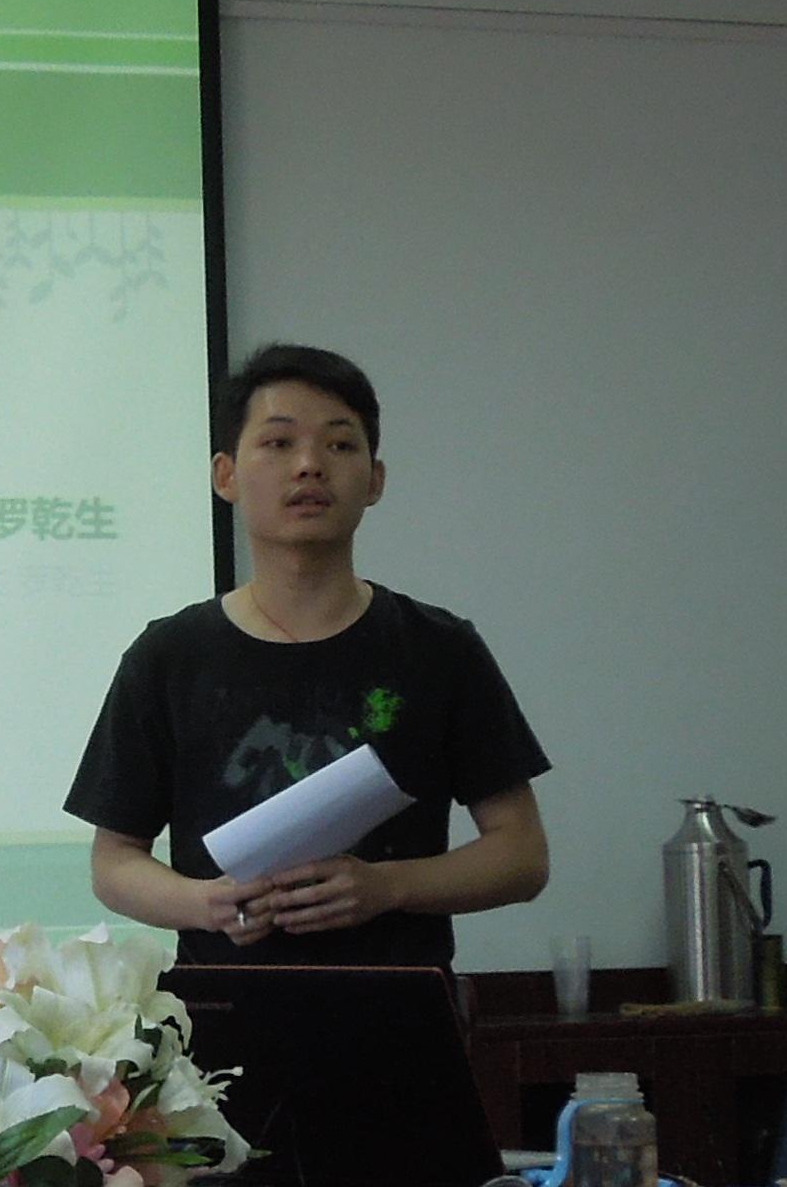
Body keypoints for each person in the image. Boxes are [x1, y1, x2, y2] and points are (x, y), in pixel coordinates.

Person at [67, 344, 550, 967]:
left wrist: (388, 886)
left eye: (340, 445)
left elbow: (521, 854)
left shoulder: (439, 648)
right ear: (225, 476)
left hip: (398, 1009)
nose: (309, 466)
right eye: (278, 443)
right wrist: (205, 904)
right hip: (221, 1014)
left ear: (374, 480)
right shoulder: (169, 656)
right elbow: (113, 862)